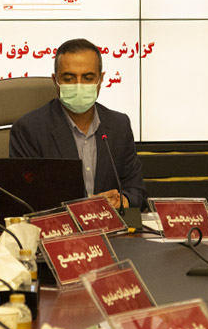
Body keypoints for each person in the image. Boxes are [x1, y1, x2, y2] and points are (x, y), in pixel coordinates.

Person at [9, 38, 147, 209]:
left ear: (101, 79)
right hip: (58, 225)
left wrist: (123, 200)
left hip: (110, 224)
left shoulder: (119, 125)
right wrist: (87, 205)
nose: (79, 85)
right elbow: (26, 199)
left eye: (88, 78)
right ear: (55, 80)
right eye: (69, 79)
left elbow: (137, 191)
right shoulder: (29, 130)